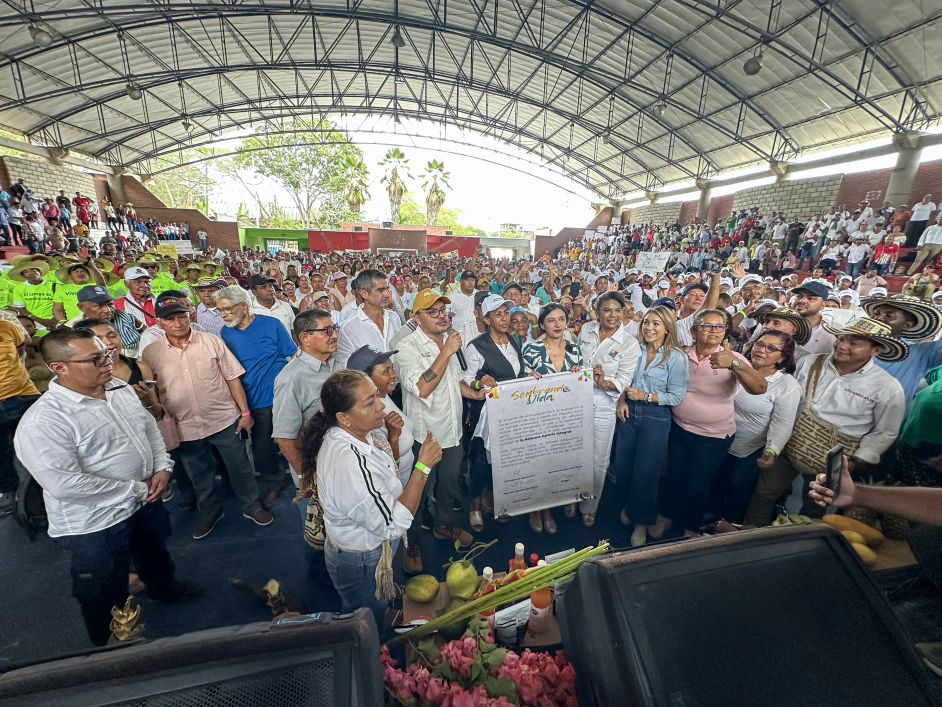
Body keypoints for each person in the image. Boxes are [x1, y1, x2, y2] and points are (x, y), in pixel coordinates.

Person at [13, 328, 202, 646]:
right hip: (95, 523)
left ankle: (163, 589)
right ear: (60, 367)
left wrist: (161, 467)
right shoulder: (45, 421)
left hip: (145, 500)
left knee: (154, 549)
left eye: (107, 354)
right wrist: (138, 490)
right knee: (103, 583)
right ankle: (110, 641)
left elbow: (148, 429)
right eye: (96, 358)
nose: (107, 361)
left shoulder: (116, 387)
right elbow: (66, 485)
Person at [299, 369, 441, 633]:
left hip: (363, 552)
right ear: (344, 418)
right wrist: (423, 467)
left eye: (377, 397)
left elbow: (384, 482)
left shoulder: (353, 437)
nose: (381, 406)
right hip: (362, 560)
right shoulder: (351, 462)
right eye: (369, 402)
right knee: (364, 619)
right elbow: (391, 525)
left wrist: (394, 440)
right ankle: (374, 652)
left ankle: (382, 615)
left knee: (373, 604)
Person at [743, 318, 908, 527]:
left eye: (854, 343)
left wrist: (857, 460)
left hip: (837, 456)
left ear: (876, 350)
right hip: (791, 442)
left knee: (815, 506)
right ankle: (750, 534)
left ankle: (802, 550)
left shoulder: (887, 387)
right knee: (764, 494)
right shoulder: (810, 362)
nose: (842, 346)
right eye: (841, 338)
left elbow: (885, 431)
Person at [142, 297, 273, 538]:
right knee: (199, 474)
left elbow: (233, 378)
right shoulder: (151, 353)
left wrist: (245, 414)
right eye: (170, 319)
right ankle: (210, 512)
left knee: (240, 467)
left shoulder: (211, 342)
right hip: (185, 426)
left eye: (181, 316)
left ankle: (252, 506)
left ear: (190, 315)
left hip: (223, 420)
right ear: (159, 323)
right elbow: (153, 391)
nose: (178, 323)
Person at [655, 309, 768, 538]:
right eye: (707, 325)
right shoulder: (680, 354)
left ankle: (690, 528)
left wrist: (735, 363)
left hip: (713, 436)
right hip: (679, 428)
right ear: (693, 331)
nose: (714, 330)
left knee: (696, 485)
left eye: (720, 326)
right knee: (673, 476)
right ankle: (665, 517)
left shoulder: (732, 358)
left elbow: (759, 388)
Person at [393, 289, 472, 573]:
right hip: (424, 436)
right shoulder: (407, 347)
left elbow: (457, 383)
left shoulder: (450, 342)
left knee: (450, 485)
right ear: (416, 317)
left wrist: (478, 394)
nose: (441, 316)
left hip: (452, 431)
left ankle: (442, 526)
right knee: (418, 491)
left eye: (443, 311)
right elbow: (423, 387)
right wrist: (446, 351)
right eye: (433, 312)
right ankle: (411, 541)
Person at [613, 304, 689, 546]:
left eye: (656, 324)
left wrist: (645, 396)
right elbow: (621, 379)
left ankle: (641, 523)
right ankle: (631, 506)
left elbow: (676, 397)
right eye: (646, 322)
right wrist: (622, 398)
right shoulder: (633, 348)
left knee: (647, 473)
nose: (649, 328)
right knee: (623, 467)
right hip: (628, 413)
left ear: (667, 328)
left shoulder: (676, 357)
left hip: (656, 418)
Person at [215, 285, 297, 509]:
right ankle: (276, 482)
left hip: (282, 397)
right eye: (219, 311)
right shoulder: (226, 332)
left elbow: (294, 355)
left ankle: (306, 478)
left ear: (243, 305)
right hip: (253, 400)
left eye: (226, 309)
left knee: (294, 439)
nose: (222, 315)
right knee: (262, 450)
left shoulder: (271, 325)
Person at [710, 330, 801, 524]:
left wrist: (772, 449)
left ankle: (726, 530)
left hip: (748, 448)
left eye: (771, 348)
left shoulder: (786, 385)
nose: (761, 350)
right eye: (759, 344)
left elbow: (782, 422)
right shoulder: (738, 365)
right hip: (716, 439)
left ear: (783, 357)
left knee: (736, 489)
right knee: (713, 483)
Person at [463, 293, 530, 528]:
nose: (504, 318)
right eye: (497, 314)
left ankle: (495, 500)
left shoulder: (513, 340)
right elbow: (466, 378)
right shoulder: (476, 346)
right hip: (487, 414)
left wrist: (528, 377)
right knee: (481, 460)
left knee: (503, 460)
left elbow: (516, 373)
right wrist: (479, 383)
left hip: (510, 411)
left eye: (505, 313)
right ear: (487, 319)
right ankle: (474, 505)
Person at [575, 292, 642, 526]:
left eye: (617, 310)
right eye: (606, 310)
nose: (612, 315)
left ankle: (588, 505)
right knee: (571, 451)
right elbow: (574, 356)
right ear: (598, 310)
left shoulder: (630, 343)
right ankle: (567, 498)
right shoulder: (586, 330)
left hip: (604, 402)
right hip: (575, 398)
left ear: (623, 312)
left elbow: (624, 379)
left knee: (597, 457)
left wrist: (603, 382)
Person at [521, 303, 585, 533]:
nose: (557, 324)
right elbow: (519, 389)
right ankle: (535, 510)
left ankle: (551, 505)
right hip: (537, 418)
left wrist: (580, 376)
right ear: (542, 325)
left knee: (558, 463)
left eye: (561, 319)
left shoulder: (575, 350)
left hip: (565, 417)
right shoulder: (530, 350)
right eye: (551, 320)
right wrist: (526, 377)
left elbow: (581, 386)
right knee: (537, 465)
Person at [348, 345, 415, 487]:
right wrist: (393, 437)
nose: (393, 374)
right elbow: (386, 467)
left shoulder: (383, 395)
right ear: (366, 379)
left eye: (392, 368)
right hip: (393, 490)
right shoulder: (370, 416)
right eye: (386, 371)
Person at [860, 294, 942, 405]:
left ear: (908, 325)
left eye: (889, 316)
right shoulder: (847, 345)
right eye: (876, 313)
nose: (879, 318)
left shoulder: (920, 353)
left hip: (888, 420)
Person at [0, 313, 41, 516]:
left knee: (40, 443)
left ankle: (44, 487)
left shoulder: (7, 326)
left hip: (22, 395)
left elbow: (19, 350)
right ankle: (8, 490)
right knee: (1, 451)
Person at [335, 270, 401, 368]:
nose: (387, 294)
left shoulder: (394, 317)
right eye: (380, 290)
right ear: (364, 294)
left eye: (387, 289)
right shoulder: (348, 328)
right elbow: (346, 368)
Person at [788, 280, 837, 357]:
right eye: (798, 296)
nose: (802, 300)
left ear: (822, 305)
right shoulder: (774, 324)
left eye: (811, 298)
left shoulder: (836, 331)